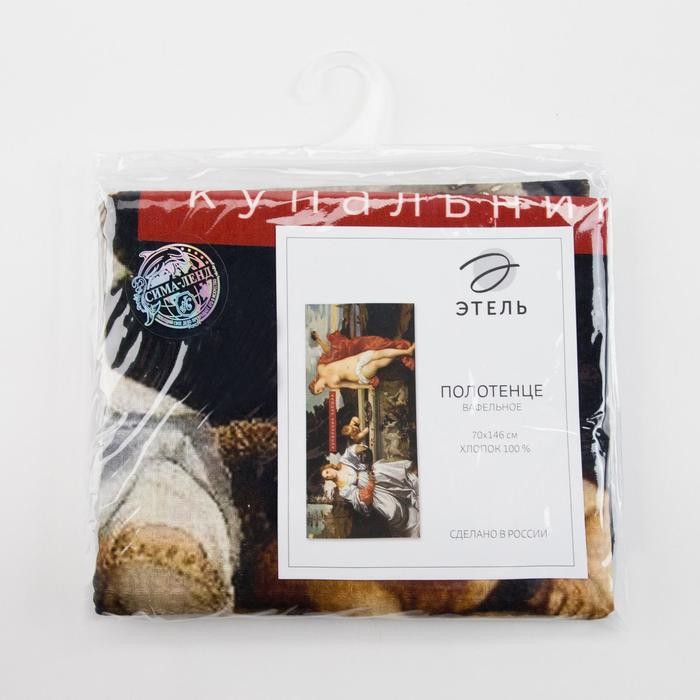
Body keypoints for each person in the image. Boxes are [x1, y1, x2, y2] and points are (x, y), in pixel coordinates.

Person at [321, 449, 419, 538]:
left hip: (373, 475)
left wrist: (359, 450)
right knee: (392, 511)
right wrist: (370, 485)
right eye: (327, 477)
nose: (329, 475)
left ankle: (411, 480)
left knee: (380, 468)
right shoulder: (343, 489)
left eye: (327, 472)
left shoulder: (344, 463)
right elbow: (359, 499)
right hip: (373, 492)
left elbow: (355, 452)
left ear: (330, 467)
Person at [308, 330, 415, 395]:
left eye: (317, 390)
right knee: (375, 364)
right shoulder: (332, 385)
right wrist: (367, 387)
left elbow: (330, 353)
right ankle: (401, 353)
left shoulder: (321, 368)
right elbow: (350, 385)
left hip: (356, 359)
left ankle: (407, 351)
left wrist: (319, 341)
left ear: (314, 384)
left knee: (377, 353)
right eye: (319, 393)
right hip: (358, 374)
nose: (321, 390)